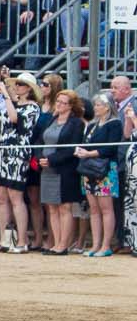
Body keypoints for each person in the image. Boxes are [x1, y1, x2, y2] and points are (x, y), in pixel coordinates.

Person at [0, 72, 41, 253]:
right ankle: (4, 239)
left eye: (21, 84)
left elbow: (15, 119)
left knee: (16, 197)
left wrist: (6, 95)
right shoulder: (11, 104)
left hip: (17, 153)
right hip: (2, 151)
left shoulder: (32, 107)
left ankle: (22, 240)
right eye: (16, 84)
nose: (17, 87)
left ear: (29, 89)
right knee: (1, 199)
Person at [39, 89, 86, 255]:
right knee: (52, 207)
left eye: (63, 103)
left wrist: (52, 160)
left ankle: (63, 244)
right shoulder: (52, 119)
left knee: (65, 207)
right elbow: (40, 140)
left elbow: (72, 148)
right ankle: (56, 243)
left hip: (65, 169)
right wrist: (40, 158)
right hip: (47, 169)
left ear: (71, 106)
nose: (58, 105)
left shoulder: (76, 123)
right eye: (57, 101)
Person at [77, 92, 124, 257]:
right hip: (89, 169)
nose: (96, 108)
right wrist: (81, 151)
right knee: (94, 209)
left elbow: (110, 148)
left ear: (107, 107)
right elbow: (85, 144)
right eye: (95, 105)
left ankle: (106, 245)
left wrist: (89, 154)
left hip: (105, 169)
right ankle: (95, 245)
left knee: (106, 209)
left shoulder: (115, 124)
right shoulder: (92, 125)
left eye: (99, 105)